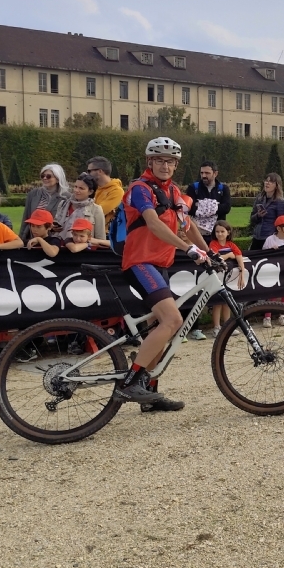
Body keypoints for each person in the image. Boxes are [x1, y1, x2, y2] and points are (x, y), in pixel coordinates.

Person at [116, 137, 210, 413]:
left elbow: (187, 224)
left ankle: (150, 393)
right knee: (172, 319)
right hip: (140, 262)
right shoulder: (140, 188)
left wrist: (209, 252)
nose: (165, 165)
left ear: (176, 165)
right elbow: (154, 224)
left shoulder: (174, 192)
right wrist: (188, 249)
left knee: (164, 328)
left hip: (161, 264)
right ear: (150, 162)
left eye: (171, 161)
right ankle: (130, 382)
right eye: (160, 160)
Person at [205, 221, 246, 336]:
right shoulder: (213, 244)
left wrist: (242, 273)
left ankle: (227, 325)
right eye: (217, 232)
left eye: (222, 231)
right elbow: (215, 257)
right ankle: (217, 327)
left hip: (228, 278)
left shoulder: (231, 245)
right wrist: (228, 255)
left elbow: (239, 257)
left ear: (228, 232)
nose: (220, 234)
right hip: (217, 277)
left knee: (227, 302)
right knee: (218, 303)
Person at [260, 214, 284, 327]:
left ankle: (282, 315)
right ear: (279, 228)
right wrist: (271, 251)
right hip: (272, 272)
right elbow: (263, 254)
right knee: (272, 294)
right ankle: (267, 317)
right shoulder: (270, 240)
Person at [20, 164, 69, 242]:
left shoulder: (66, 197)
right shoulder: (33, 194)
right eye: (43, 176)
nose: (45, 178)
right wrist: (21, 239)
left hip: (53, 239)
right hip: (31, 237)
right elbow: (26, 217)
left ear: (57, 179)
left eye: (49, 176)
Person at [186, 160, 232, 241]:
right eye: (202, 173)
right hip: (198, 233)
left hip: (217, 234)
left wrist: (200, 206)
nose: (203, 175)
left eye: (207, 173)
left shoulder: (224, 189)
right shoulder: (193, 188)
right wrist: (215, 207)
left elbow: (226, 208)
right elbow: (189, 209)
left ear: (215, 174)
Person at [60, 174, 108, 247]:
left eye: (81, 188)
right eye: (75, 187)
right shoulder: (63, 204)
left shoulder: (96, 209)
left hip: (83, 252)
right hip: (60, 248)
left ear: (90, 192)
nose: (76, 190)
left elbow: (100, 239)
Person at [249, 173, 284, 252]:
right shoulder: (259, 198)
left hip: (270, 238)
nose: (267, 183)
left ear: (276, 186)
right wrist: (258, 215)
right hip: (257, 236)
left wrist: (277, 240)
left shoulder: (280, 202)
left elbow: (282, 223)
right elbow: (252, 219)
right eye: (266, 181)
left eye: (271, 182)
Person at [85, 157, 125, 232]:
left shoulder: (117, 191)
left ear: (100, 171)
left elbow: (98, 212)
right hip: (87, 230)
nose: (87, 174)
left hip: (104, 234)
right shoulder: (94, 188)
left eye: (89, 171)